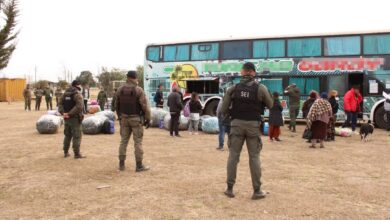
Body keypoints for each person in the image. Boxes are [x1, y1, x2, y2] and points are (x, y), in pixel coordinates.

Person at [221, 62, 273, 200]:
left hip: (236, 125)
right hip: (253, 126)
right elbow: (271, 104)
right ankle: (257, 190)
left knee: (233, 156)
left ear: (242, 72)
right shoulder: (261, 88)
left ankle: (229, 188)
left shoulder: (233, 88)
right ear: (253, 73)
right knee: (254, 157)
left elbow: (223, 109)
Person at [115, 71, 151, 172]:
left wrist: (120, 116)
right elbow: (145, 106)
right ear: (135, 78)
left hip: (124, 119)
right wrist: (148, 118)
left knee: (123, 142)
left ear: (127, 78)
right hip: (136, 119)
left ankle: (121, 165)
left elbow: (116, 105)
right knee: (138, 142)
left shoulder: (120, 89)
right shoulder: (138, 90)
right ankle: (139, 166)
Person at [58, 80, 86, 159]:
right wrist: (69, 114)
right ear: (77, 85)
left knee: (67, 135)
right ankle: (77, 154)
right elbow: (79, 106)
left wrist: (63, 113)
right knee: (77, 136)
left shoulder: (65, 93)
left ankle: (65, 152)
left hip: (66, 118)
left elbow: (60, 104)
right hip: (75, 118)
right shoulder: (77, 94)